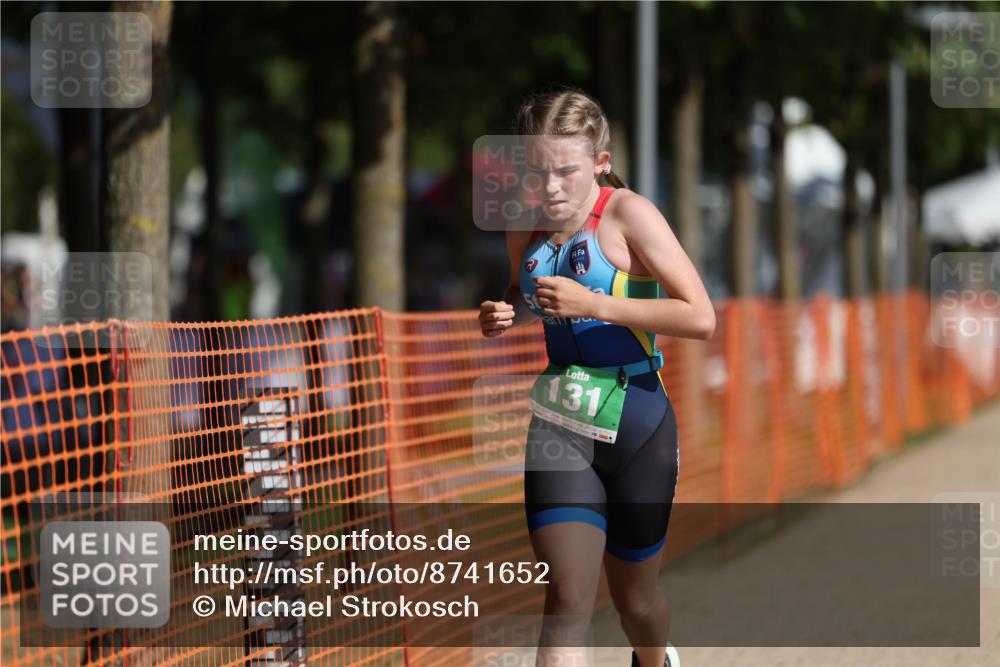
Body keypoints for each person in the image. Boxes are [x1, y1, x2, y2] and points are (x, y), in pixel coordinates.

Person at [478, 88, 715, 667]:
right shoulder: (524, 227)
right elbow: (524, 288)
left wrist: (596, 304)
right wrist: (507, 309)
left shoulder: (629, 215)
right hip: (561, 423)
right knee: (566, 599)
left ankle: (656, 662)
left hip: (638, 422)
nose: (551, 188)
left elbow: (701, 317)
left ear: (600, 162)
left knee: (634, 603)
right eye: (537, 174)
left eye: (566, 172)